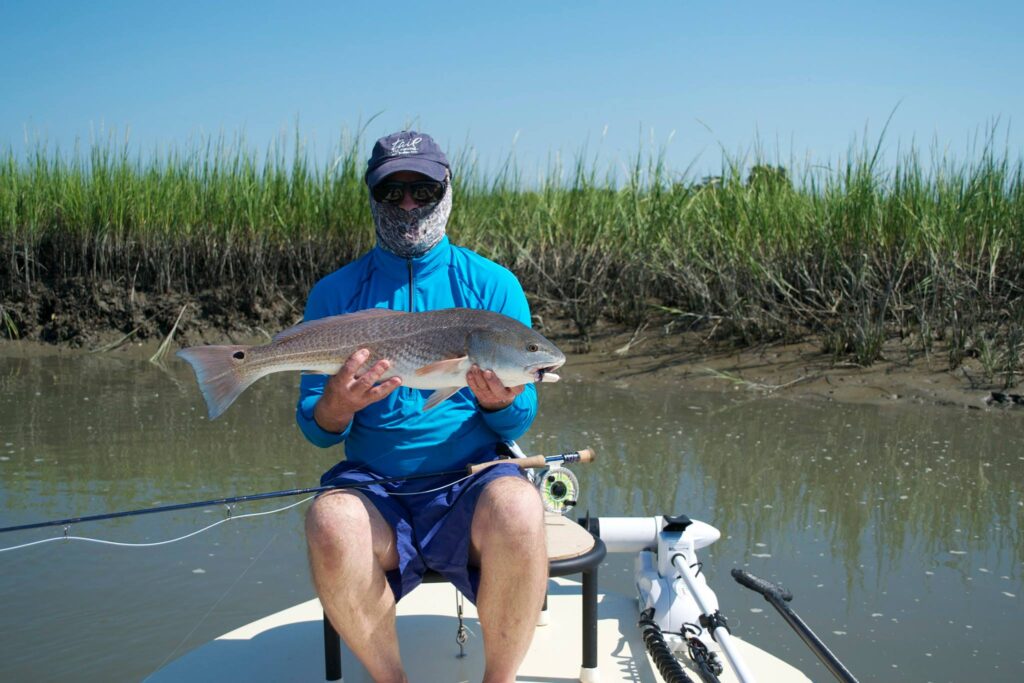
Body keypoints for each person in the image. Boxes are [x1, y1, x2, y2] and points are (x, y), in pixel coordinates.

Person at [296, 131, 548, 683]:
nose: (409, 204)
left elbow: (521, 415)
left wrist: (500, 404)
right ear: (373, 198)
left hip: (471, 482)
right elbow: (317, 429)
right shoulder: (335, 295)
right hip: (376, 488)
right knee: (329, 519)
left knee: (521, 508)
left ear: (447, 191)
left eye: (424, 189)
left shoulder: (492, 287)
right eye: (394, 192)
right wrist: (337, 403)